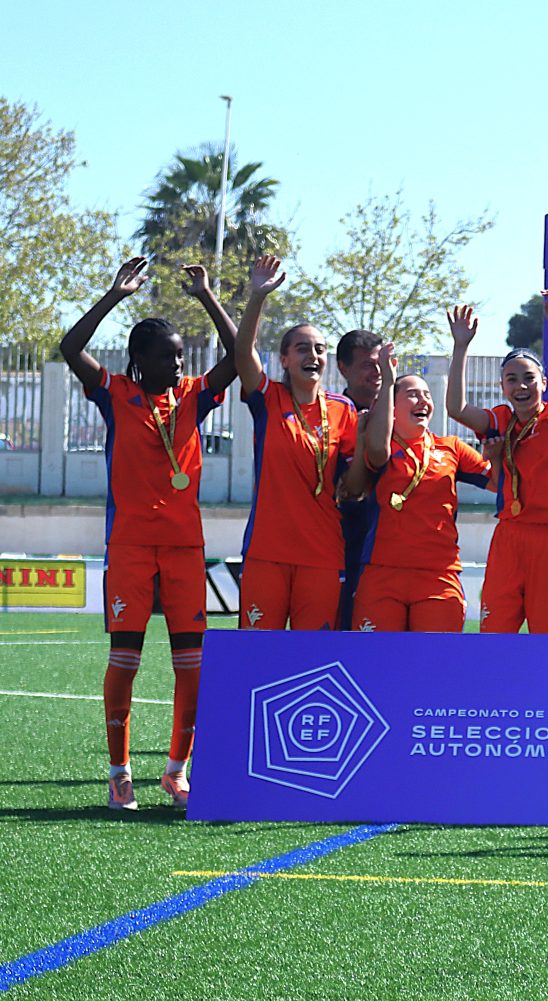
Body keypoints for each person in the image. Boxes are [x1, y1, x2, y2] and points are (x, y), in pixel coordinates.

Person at [60, 257, 236, 810]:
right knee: (125, 662)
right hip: (131, 548)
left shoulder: (193, 397)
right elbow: (70, 348)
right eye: (168, 355)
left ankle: (177, 772)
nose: (179, 363)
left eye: (182, 355)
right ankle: (119, 775)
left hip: (186, 548)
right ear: (140, 360)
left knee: (193, 666)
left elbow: (239, 358)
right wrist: (114, 296)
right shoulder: (114, 393)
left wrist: (209, 297)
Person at [446, 290, 548, 633]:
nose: (521, 386)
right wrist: (461, 347)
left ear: (544, 383)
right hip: (509, 536)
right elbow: (456, 408)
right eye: (512, 379)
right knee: (495, 632)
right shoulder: (500, 419)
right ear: (502, 386)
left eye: (529, 378)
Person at [226, 255, 359, 631]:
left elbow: (354, 479)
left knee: (311, 661)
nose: (312, 355)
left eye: (319, 349)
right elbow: (241, 355)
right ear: (283, 359)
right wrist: (257, 298)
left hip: (322, 554)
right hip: (267, 553)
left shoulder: (343, 409)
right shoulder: (268, 399)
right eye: (301, 348)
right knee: (256, 655)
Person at [352, 348, 494, 632]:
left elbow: (498, 483)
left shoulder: (451, 447)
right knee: (376, 665)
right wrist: (388, 380)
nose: (424, 400)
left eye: (427, 394)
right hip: (382, 574)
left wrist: (499, 456)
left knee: (436, 667)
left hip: (438, 575)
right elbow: (365, 471)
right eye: (413, 394)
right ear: (391, 406)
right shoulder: (379, 445)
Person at [333, 326, 386, 629]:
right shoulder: (333, 415)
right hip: (346, 543)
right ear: (343, 367)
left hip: (389, 547)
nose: (376, 372)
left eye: (380, 363)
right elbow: (348, 488)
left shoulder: (397, 414)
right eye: (368, 364)